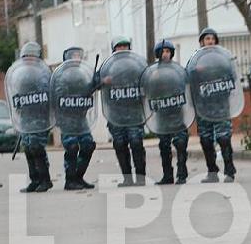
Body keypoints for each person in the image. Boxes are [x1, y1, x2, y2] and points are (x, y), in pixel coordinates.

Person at [104, 36, 148, 187]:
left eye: (125, 46)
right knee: (120, 145)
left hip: (134, 113)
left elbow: (148, 81)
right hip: (116, 116)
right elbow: (94, 83)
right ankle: (127, 178)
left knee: (136, 143)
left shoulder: (137, 65)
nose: (122, 49)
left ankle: (141, 178)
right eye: (119, 46)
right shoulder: (107, 66)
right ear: (114, 49)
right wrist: (103, 80)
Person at [10, 42, 53, 193]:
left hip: (40, 117)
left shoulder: (43, 74)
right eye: (25, 57)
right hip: (26, 118)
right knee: (28, 148)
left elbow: (45, 94)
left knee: (36, 146)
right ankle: (35, 180)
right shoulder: (20, 75)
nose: (28, 59)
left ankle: (45, 179)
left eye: (31, 56)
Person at [195, 28, 237, 183]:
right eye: (207, 39)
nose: (210, 41)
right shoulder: (196, 61)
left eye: (212, 38)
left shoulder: (223, 59)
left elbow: (232, 79)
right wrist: (196, 72)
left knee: (224, 138)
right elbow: (189, 82)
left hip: (220, 106)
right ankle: (212, 171)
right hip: (204, 108)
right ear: (201, 42)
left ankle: (229, 170)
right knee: (205, 140)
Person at [55, 46, 98, 190]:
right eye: (74, 56)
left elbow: (87, 91)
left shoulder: (83, 75)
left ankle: (78, 177)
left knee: (88, 145)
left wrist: (95, 83)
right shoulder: (61, 76)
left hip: (81, 119)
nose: (77, 58)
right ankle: (70, 180)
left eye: (79, 55)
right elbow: (58, 97)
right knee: (72, 147)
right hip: (67, 119)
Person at [150, 40, 191, 185]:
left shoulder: (178, 70)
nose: (165, 54)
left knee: (180, 142)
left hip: (177, 112)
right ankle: (167, 175)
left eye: (168, 51)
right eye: (162, 51)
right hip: (162, 113)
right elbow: (150, 94)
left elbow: (185, 87)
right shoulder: (153, 72)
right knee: (164, 145)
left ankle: (182, 174)